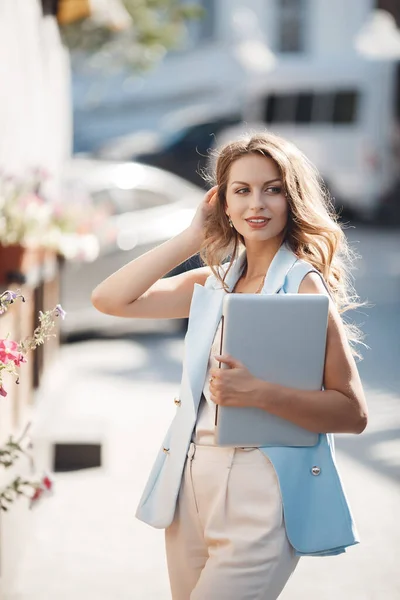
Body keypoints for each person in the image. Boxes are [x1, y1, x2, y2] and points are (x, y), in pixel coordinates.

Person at [91, 131, 368, 599]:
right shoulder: (214, 282)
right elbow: (110, 300)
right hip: (191, 485)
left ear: (292, 197)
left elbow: (353, 412)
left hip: (260, 491)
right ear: (222, 201)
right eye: (241, 190)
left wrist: (259, 394)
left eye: (272, 188)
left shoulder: (304, 287)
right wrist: (190, 237)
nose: (256, 203)